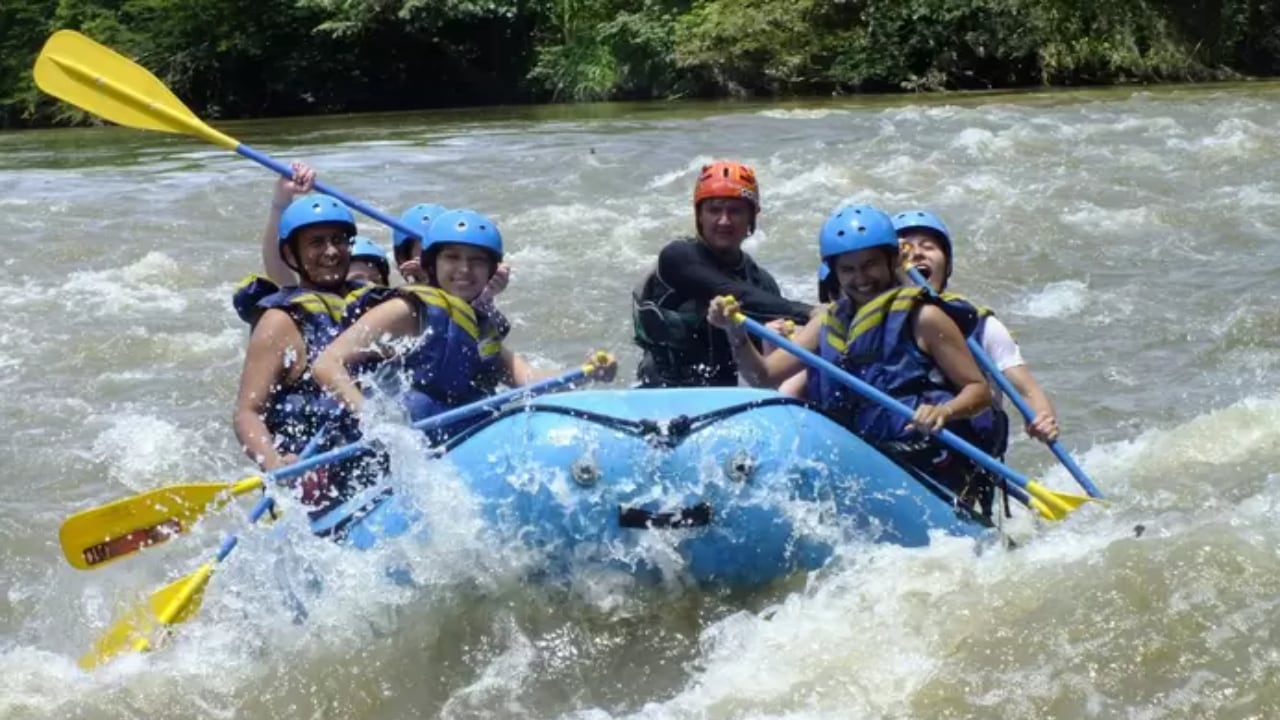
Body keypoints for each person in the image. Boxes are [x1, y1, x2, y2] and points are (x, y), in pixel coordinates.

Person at [707, 204, 1001, 513]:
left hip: (924, 460)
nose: (861, 278)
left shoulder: (925, 317)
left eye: (870, 264)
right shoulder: (828, 321)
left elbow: (978, 391)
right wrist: (733, 330)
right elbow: (764, 376)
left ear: (890, 261)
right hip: (859, 462)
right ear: (835, 272)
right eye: (848, 269)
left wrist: (945, 411)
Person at [313, 208, 616, 438]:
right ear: (432, 265)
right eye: (453, 258)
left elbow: (529, 380)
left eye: (477, 261)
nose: (464, 270)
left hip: (456, 444)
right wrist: (376, 423)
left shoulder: (480, 327)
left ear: (491, 271)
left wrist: (586, 372)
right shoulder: (406, 310)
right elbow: (327, 364)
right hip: (398, 450)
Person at [232, 193, 385, 515]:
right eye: (316, 242)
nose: (330, 251)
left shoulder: (373, 304)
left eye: (338, 240)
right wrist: (275, 464)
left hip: (373, 461)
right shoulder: (281, 321)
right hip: (312, 474)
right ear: (291, 254)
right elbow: (248, 412)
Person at [632, 160, 814, 388]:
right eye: (714, 210)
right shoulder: (676, 258)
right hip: (659, 392)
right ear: (699, 215)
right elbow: (725, 290)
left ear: (752, 217)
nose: (724, 220)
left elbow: (765, 369)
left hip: (724, 399)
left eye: (735, 211)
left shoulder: (762, 283)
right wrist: (813, 312)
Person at [893, 209, 1059, 446]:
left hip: (967, 464)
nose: (917, 253)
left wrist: (1044, 418)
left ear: (946, 265)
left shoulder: (982, 328)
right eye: (906, 249)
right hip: (899, 448)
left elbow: (1027, 390)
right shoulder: (874, 326)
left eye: (928, 247)